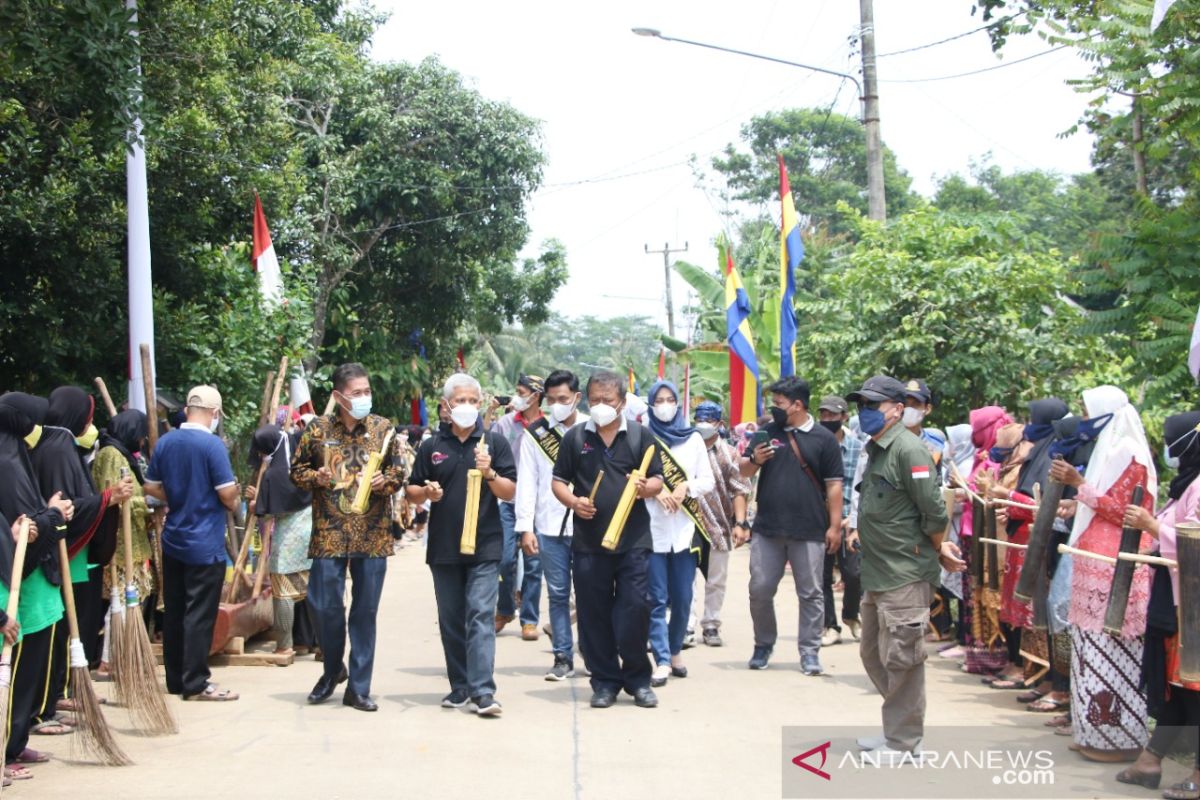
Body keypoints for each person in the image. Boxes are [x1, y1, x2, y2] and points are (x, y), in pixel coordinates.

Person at [848, 375, 961, 758]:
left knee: (903, 658)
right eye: (861, 405)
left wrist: (938, 547)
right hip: (878, 570)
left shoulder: (909, 451)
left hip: (905, 571)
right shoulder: (879, 447)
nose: (864, 412)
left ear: (898, 409)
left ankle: (904, 741)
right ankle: (897, 727)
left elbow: (933, 511)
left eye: (872, 405)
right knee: (874, 653)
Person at [1047, 385, 1156, 763]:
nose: (1086, 419)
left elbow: (1125, 511)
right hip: (1094, 560)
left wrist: (1078, 487)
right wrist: (1075, 500)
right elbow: (1099, 504)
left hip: (1118, 565)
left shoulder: (1132, 455)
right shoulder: (1108, 452)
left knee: (1114, 651)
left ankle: (1119, 739)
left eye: (1089, 411)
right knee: (1089, 651)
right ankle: (1091, 730)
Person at [290, 363, 403, 712]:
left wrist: (389, 482)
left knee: (365, 612)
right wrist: (318, 477)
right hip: (329, 534)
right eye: (357, 393)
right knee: (324, 607)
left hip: (372, 535)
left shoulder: (383, 428)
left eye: (367, 391)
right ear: (339, 396)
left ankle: (359, 687)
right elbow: (296, 472)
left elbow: (399, 470)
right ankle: (331, 670)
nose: (364, 398)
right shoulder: (318, 429)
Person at [551, 370, 664, 709]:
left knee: (634, 609)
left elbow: (658, 479)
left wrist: (648, 488)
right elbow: (558, 482)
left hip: (633, 541)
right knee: (593, 614)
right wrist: (574, 501)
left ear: (623, 403)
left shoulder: (642, 437)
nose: (601, 406)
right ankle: (604, 682)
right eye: (595, 400)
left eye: (608, 401)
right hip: (588, 541)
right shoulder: (574, 438)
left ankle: (638, 680)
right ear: (587, 400)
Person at [407, 373, 516, 716]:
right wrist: (427, 493)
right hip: (443, 547)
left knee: (481, 615)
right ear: (446, 405)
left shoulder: (494, 445)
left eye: (473, 401)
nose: (467, 407)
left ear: (480, 404)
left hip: (485, 545)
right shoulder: (431, 446)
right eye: (460, 401)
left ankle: (483, 691)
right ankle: (460, 687)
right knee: (452, 618)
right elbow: (412, 491)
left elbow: (509, 491)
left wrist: (490, 474)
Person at [29, 386, 128, 725]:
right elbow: (66, 505)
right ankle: (52, 698)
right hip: (62, 558)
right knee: (58, 631)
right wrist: (107, 499)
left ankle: (62, 692)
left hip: (73, 559)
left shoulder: (59, 445)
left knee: (68, 629)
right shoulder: (57, 449)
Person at [1115, 410, 1200, 798]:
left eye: (1172, 439)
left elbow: (1194, 541)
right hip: (1177, 600)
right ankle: (1151, 760)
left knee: (1193, 686)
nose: (1167, 448)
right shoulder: (1187, 483)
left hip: (1193, 605)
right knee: (1177, 686)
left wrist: (1153, 527)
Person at [739, 376, 843, 676]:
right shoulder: (766, 433)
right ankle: (763, 644)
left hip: (809, 529)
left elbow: (834, 486)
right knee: (759, 589)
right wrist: (755, 459)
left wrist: (834, 527)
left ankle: (810, 651)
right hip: (768, 528)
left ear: (798, 405)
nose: (775, 408)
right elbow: (743, 472)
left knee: (810, 592)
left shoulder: (824, 439)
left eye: (780, 403)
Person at [144, 385, 240, 702]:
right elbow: (227, 494)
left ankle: (176, 679)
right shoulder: (212, 446)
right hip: (204, 543)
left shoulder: (166, 442)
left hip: (173, 540)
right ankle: (196, 681)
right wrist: (232, 498)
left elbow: (151, 486)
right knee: (199, 614)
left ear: (187, 410)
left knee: (174, 610)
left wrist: (178, 497)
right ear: (215, 414)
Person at [0, 392, 72, 776]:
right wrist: (53, 516)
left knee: (29, 674)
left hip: (31, 590)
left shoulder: (14, 455)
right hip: (16, 588)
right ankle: (5, 747)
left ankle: (16, 740)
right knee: (16, 670)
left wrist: (50, 513)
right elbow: (22, 528)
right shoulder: (6, 460)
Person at [516, 369, 588, 680]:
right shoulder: (537, 434)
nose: (558, 404)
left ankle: (592, 651)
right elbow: (527, 483)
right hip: (549, 526)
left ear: (577, 398)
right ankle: (562, 655)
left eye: (564, 399)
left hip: (589, 524)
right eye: (553, 399)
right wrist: (525, 527)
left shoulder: (594, 428)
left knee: (590, 593)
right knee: (558, 593)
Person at [643, 380, 714, 686]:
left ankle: (675, 653)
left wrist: (686, 487)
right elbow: (630, 476)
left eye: (670, 399)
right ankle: (660, 658)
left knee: (683, 597)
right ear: (650, 404)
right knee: (656, 598)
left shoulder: (693, 439)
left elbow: (707, 480)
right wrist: (654, 492)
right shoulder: (641, 436)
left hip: (684, 530)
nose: (664, 404)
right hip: (651, 529)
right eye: (658, 399)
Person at [92, 409, 155, 673]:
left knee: (133, 598)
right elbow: (113, 498)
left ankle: (123, 653)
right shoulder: (111, 455)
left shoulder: (122, 454)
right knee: (121, 600)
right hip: (119, 542)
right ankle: (110, 658)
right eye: (140, 436)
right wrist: (148, 505)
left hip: (134, 540)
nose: (142, 442)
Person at [247, 423, 316, 657]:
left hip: (288, 537)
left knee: (283, 591)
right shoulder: (301, 465)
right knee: (313, 591)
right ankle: (321, 644)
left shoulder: (274, 474)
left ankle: (284, 644)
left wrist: (256, 505)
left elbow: (269, 510)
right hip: (311, 532)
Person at [488, 375, 545, 639]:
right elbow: (488, 450)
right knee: (504, 559)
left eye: (522, 392)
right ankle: (505, 608)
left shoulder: (548, 427)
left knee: (533, 563)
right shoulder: (505, 423)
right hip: (509, 502)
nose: (517, 396)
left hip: (537, 505)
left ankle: (529, 618)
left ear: (536, 395)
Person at [690, 401, 750, 648]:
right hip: (690, 523)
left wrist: (740, 523)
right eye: (699, 419)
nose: (702, 424)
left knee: (716, 579)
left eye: (708, 420)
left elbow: (739, 490)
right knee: (687, 579)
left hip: (719, 525)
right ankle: (687, 625)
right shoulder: (686, 448)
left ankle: (711, 624)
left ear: (719, 424)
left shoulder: (729, 453)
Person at [817, 395, 863, 647]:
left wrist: (852, 518)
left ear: (844, 417)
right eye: (823, 415)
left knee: (854, 573)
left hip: (849, 520)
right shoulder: (814, 444)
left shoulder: (858, 446)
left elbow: (861, 485)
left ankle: (851, 615)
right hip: (820, 519)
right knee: (822, 575)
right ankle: (829, 625)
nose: (827, 420)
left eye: (832, 415)